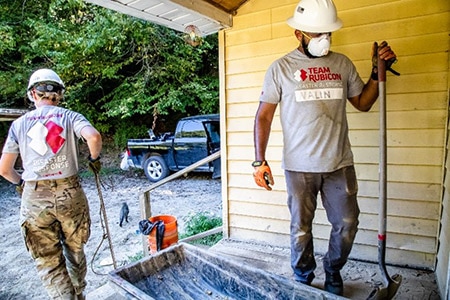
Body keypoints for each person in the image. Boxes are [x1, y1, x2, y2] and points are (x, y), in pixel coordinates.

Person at [252, 0, 397, 296]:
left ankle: (333, 269)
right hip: (299, 167)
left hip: (339, 164)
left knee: (347, 224)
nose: (323, 39)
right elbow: (263, 116)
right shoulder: (281, 68)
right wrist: (259, 161)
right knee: (301, 229)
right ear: (298, 34)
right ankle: (303, 276)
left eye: (327, 33)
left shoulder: (342, 64)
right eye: (316, 34)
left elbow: (363, 103)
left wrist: (376, 72)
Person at [0, 68, 102, 299]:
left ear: (33, 94)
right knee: (75, 250)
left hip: (35, 198)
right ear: (59, 94)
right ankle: (79, 293)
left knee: (48, 262)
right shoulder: (70, 117)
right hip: (70, 193)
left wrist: (21, 185)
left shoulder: (19, 125)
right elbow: (93, 137)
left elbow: (4, 169)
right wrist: (93, 159)